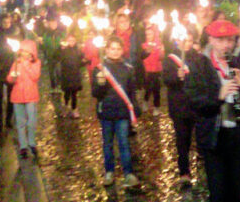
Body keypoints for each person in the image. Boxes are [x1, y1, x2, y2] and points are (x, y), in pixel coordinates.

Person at [183, 20, 240, 202]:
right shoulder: (199, 65)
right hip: (214, 137)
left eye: (230, 40)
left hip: (237, 136)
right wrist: (218, 96)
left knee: (235, 191)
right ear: (211, 40)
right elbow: (194, 101)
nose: (226, 45)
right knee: (219, 192)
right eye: (221, 40)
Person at [92, 36, 140, 188]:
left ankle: (128, 173)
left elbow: (131, 90)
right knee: (107, 143)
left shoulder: (127, 68)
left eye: (118, 49)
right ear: (106, 50)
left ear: (122, 50)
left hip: (122, 111)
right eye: (112, 48)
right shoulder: (99, 69)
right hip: (106, 110)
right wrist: (100, 84)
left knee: (124, 142)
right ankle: (109, 171)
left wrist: (135, 106)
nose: (115, 51)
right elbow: (96, 93)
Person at [163, 30, 198, 186]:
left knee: (194, 136)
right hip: (179, 105)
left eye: (190, 40)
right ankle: (184, 171)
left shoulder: (197, 57)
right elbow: (166, 79)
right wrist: (176, 76)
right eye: (185, 40)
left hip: (195, 103)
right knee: (182, 139)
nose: (187, 44)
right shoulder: (170, 59)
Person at [7, 39, 42, 159]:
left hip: (31, 95)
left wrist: (25, 65)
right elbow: (10, 79)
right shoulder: (16, 63)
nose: (24, 54)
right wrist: (12, 76)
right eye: (23, 51)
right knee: (20, 122)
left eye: (27, 52)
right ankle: (23, 146)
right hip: (17, 96)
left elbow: (35, 77)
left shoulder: (36, 63)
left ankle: (31, 142)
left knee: (31, 121)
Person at [0, 13, 23, 131]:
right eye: (4, 23)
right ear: (0, 23)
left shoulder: (15, 34)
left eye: (8, 23)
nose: (6, 25)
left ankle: (8, 120)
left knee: (11, 95)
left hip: (10, 68)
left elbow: (18, 50)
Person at [58, 35, 86, 118]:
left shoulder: (78, 51)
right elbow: (57, 57)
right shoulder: (63, 50)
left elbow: (81, 62)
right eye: (69, 40)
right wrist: (60, 49)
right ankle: (66, 107)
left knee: (74, 94)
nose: (71, 42)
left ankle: (74, 109)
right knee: (66, 93)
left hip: (75, 75)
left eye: (73, 40)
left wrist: (85, 61)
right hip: (66, 75)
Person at [141, 25, 164, 116]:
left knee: (156, 89)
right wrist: (147, 50)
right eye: (147, 34)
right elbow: (142, 57)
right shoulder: (144, 45)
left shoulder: (159, 45)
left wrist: (161, 51)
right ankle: (145, 101)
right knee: (148, 88)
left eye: (150, 34)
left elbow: (161, 58)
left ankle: (156, 106)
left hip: (157, 70)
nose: (148, 36)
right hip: (147, 71)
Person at [40, 15, 65, 93]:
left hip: (59, 55)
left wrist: (64, 45)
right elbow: (44, 47)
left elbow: (65, 41)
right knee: (51, 72)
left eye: (54, 23)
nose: (53, 25)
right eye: (51, 23)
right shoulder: (46, 34)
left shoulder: (61, 33)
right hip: (50, 56)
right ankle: (53, 86)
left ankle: (59, 85)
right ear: (49, 24)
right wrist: (41, 44)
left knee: (59, 71)